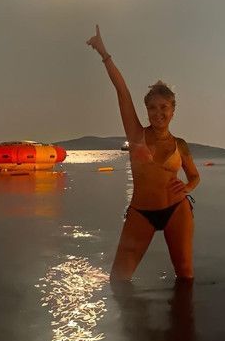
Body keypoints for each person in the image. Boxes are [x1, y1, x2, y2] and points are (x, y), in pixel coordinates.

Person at [86, 24, 200, 281]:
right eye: (152, 108)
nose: (158, 113)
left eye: (164, 107)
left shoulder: (180, 144)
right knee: (119, 279)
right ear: (146, 110)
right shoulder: (136, 135)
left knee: (185, 276)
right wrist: (104, 53)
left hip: (177, 210)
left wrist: (187, 188)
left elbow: (194, 176)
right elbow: (122, 91)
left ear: (173, 110)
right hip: (141, 213)